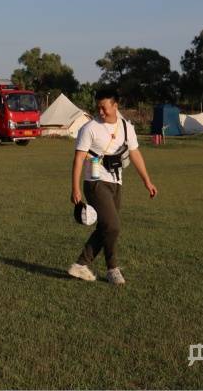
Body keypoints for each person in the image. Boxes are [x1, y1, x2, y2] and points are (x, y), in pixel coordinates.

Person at [68, 89, 157, 285]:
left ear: (115, 106)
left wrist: (147, 181)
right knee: (113, 226)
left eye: (104, 108)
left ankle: (82, 265)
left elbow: (134, 154)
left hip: (116, 183)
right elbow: (79, 159)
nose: (100, 112)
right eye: (98, 107)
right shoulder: (89, 128)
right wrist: (75, 188)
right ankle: (112, 268)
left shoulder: (127, 127)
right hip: (95, 183)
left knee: (106, 227)